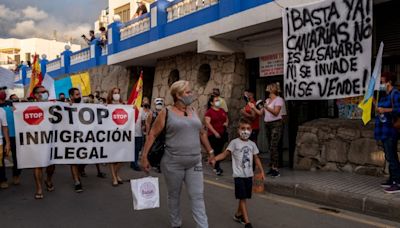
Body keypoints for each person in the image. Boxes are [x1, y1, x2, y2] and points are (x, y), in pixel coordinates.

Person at [141, 80, 214, 228]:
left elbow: (201, 133)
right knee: (174, 196)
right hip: (173, 163)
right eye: (188, 92)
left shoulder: (193, 111)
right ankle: (176, 223)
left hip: (195, 162)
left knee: (197, 196)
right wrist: (144, 157)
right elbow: (153, 134)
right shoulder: (166, 112)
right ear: (178, 95)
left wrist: (210, 152)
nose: (191, 94)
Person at [210, 119, 265, 228]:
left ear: (251, 130)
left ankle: (238, 214)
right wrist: (215, 158)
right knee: (243, 198)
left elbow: (256, 158)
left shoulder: (252, 144)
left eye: (248, 129)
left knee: (243, 197)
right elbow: (225, 154)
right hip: (239, 175)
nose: (245, 131)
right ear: (238, 130)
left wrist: (262, 171)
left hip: (249, 175)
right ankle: (247, 222)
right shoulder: (234, 142)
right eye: (243, 128)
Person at [250, 83, 284, 177]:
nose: (266, 89)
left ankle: (275, 169)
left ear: (273, 89)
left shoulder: (279, 99)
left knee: (274, 146)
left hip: (276, 123)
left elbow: (276, 113)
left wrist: (266, 106)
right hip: (267, 124)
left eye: (269, 87)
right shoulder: (267, 100)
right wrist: (253, 107)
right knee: (270, 147)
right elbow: (261, 113)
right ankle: (272, 167)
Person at [375, 72, 400, 194]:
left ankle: (397, 182)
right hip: (383, 130)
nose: (381, 84)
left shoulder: (395, 94)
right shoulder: (385, 95)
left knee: (392, 157)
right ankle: (392, 179)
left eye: (382, 81)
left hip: (391, 130)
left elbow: (398, 109)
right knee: (389, 156)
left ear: (389, 82)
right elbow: (381, 110)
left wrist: (385, 109)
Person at [31, 86, 56, 199]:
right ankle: (39, 188)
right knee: (37, 164)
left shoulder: (53, 105)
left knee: (51, 165)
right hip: (36, 140)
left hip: (51, 140)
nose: (45, 93)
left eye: (46, 91)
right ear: (36, 95)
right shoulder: (28, 107)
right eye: (42, 92)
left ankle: (48, 179)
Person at [205, 94, 228, 176]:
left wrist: (226, 123)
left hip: (222, 134)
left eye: (218, 100)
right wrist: (215, 132)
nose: (218, 102)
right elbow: (207, 124)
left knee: (220, 151)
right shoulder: (209, 112)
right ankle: (217, 167)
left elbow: (226, 118)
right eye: (216, 100)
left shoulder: (222, 110)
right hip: (213, 135)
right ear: (211, 103)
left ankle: (215, 164)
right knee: (216, 151)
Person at [0, 88, 19, 187]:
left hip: (14, 134)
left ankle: (16, 175)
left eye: (3, 91)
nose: (2, 93)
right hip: (1, 137)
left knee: (17, 157)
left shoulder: (12, 103)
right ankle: (2, 179)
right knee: (1, 159)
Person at [107, 88, 126, 185]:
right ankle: (114, 177)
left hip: (122, 134)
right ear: (111, 94)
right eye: (114, 93)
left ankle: (116, 173)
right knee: (112, 157)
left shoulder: (124, 105)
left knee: (121, 157)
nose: (116, 95)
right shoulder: (108, 105)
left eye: (118, 93)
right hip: (111, 134)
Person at [68, 88, 84, 193]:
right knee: (73, 160)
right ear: (71, 96)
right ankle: (77, 181)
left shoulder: (84, 106)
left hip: (84, 137)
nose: (79, 96)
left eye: (79, 94)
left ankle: (79, 173)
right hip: (71, 137)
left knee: (82, 159)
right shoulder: (65, 107)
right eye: (77, 94)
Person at [145, 98, 164, 173]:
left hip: (162, 135)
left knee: (161, 150)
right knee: (152, 149)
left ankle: (159, 165)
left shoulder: (164, 113)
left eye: (160, 104)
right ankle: (150, 163)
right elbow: (148, 124)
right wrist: (147, 134)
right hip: (153, 134)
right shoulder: (151, 113)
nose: (159, 106)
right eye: (158, 104)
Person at [0, 88, 11, 189]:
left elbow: (4, 127)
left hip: (0, 142)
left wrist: (7, 143)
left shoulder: (2, 111)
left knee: (1, 162)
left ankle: (2, 179)